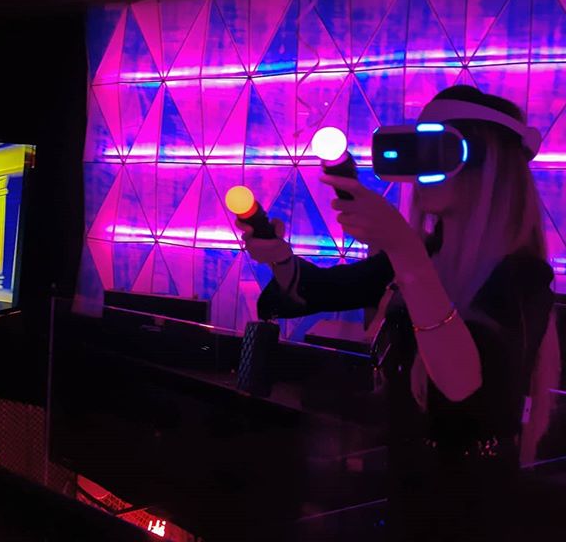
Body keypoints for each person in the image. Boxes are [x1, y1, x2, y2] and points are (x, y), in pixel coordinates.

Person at [236, 85, 561, 541]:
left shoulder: (521, 277)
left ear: (489, 167)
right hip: (404, 493)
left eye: (436, 151)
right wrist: (280, 257)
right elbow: (322, 290)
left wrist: (405, 251)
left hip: (472, 511)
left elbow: (463, 383)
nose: (420, 170)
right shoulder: (423, 255)